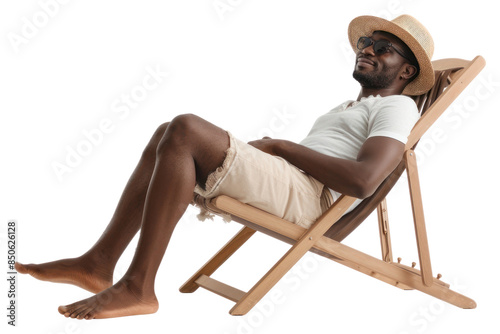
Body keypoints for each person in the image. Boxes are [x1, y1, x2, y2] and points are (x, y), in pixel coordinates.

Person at [15, 14, 434, 320]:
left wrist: (279, 145)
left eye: (383, 49)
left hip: (310, 198)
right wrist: (276, 152)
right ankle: (97, 264)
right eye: (366, 44)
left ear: (407, 71)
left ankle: (138, 286)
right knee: (170, 132)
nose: (368, 51)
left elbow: (362, 182)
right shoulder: (352, 106)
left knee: (186, 129)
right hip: (293, 183)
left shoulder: (397, 108)